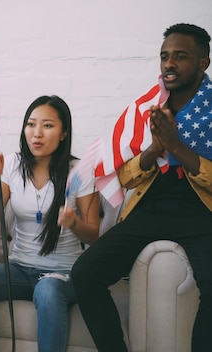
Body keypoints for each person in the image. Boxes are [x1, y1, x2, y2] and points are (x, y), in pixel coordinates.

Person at [71, 23, 212, 352]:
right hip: (150, 210)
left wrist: (177, 146)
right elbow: (127, 178)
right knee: (86, 274)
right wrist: (152, 150)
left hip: (202, 215)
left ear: (204, 62)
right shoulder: (148, 110)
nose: (169, 64)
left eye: (180, 56)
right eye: (164, 57)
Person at [0, 95, 101, 352]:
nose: (37, 133)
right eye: (31, 124)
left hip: (65, 273)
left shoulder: (79, 171)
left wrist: (73, 223)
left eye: (47, 126)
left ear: (63, 133)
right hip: (21, 268)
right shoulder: (13, 165)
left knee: (47, 289)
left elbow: (94, 235)